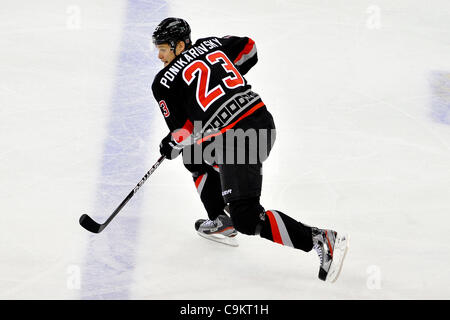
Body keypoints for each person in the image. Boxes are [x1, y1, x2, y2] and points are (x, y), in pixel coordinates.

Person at [151, 17, 348, 282]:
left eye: (164, 48)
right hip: (260, 122)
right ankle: (221, 220)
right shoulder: (211, 44)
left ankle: (320, 239)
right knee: (194, 156)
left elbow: (184, 131)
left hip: (238, 139)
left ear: (180, 44)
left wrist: (170, 143)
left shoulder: (163, 82)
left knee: (246, 217)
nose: (160, 55)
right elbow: (250, 48)